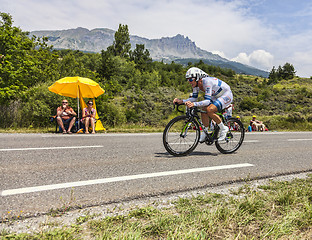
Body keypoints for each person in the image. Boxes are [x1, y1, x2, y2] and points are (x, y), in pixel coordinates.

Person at [173, 67, 233, 142]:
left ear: (197, 78)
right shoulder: (196, 85)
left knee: (209, 110)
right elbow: (194, 98)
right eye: (188, 80)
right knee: (203, 110)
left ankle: (224, 128)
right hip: (215, 96)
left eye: (191, 79)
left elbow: (207, 101)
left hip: (226, 94)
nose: (189, 82)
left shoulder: (207, 82)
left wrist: (194, 104)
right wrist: (181, 101)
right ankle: (205, 132)